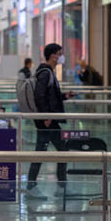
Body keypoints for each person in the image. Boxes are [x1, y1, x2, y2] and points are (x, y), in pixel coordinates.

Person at [27, 43, 71, 198]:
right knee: (57, 151)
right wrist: (45, 116)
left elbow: (49, 95)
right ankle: (56, 186)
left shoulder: (48, 72)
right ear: (53, 56)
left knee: (47, 151)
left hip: (49, 119)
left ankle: (54, 186)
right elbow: (39, 95)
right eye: (60, 53)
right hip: (47, 120)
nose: (61, 57)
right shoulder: (45, 73)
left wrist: (65, 96)